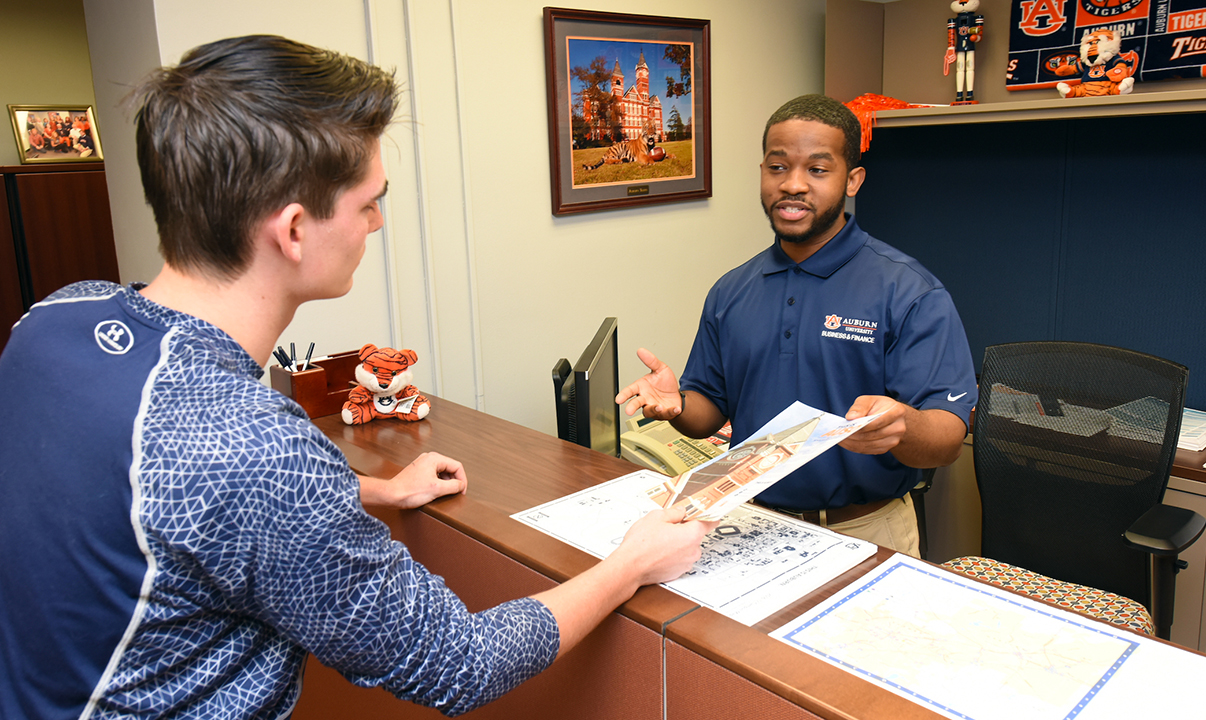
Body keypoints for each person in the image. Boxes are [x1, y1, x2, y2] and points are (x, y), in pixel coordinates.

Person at [0, 35, 714, 719]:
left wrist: (367, 489)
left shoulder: (55, 319)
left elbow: (153, 492)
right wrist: (633, 562)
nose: (375, 223)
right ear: (293, 231)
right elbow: (461, 663)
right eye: (368, 202)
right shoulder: (256, 451)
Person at [616, 94, 978, 558]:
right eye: (778, 167)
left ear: (853, 181)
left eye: (818, 170)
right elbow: (710, 407)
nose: (794, 185)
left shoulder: (909, 292)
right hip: (749, 523)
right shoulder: (732, 291)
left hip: (866, 532)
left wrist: (905, 427)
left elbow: (947, 436)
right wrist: (678, 404)